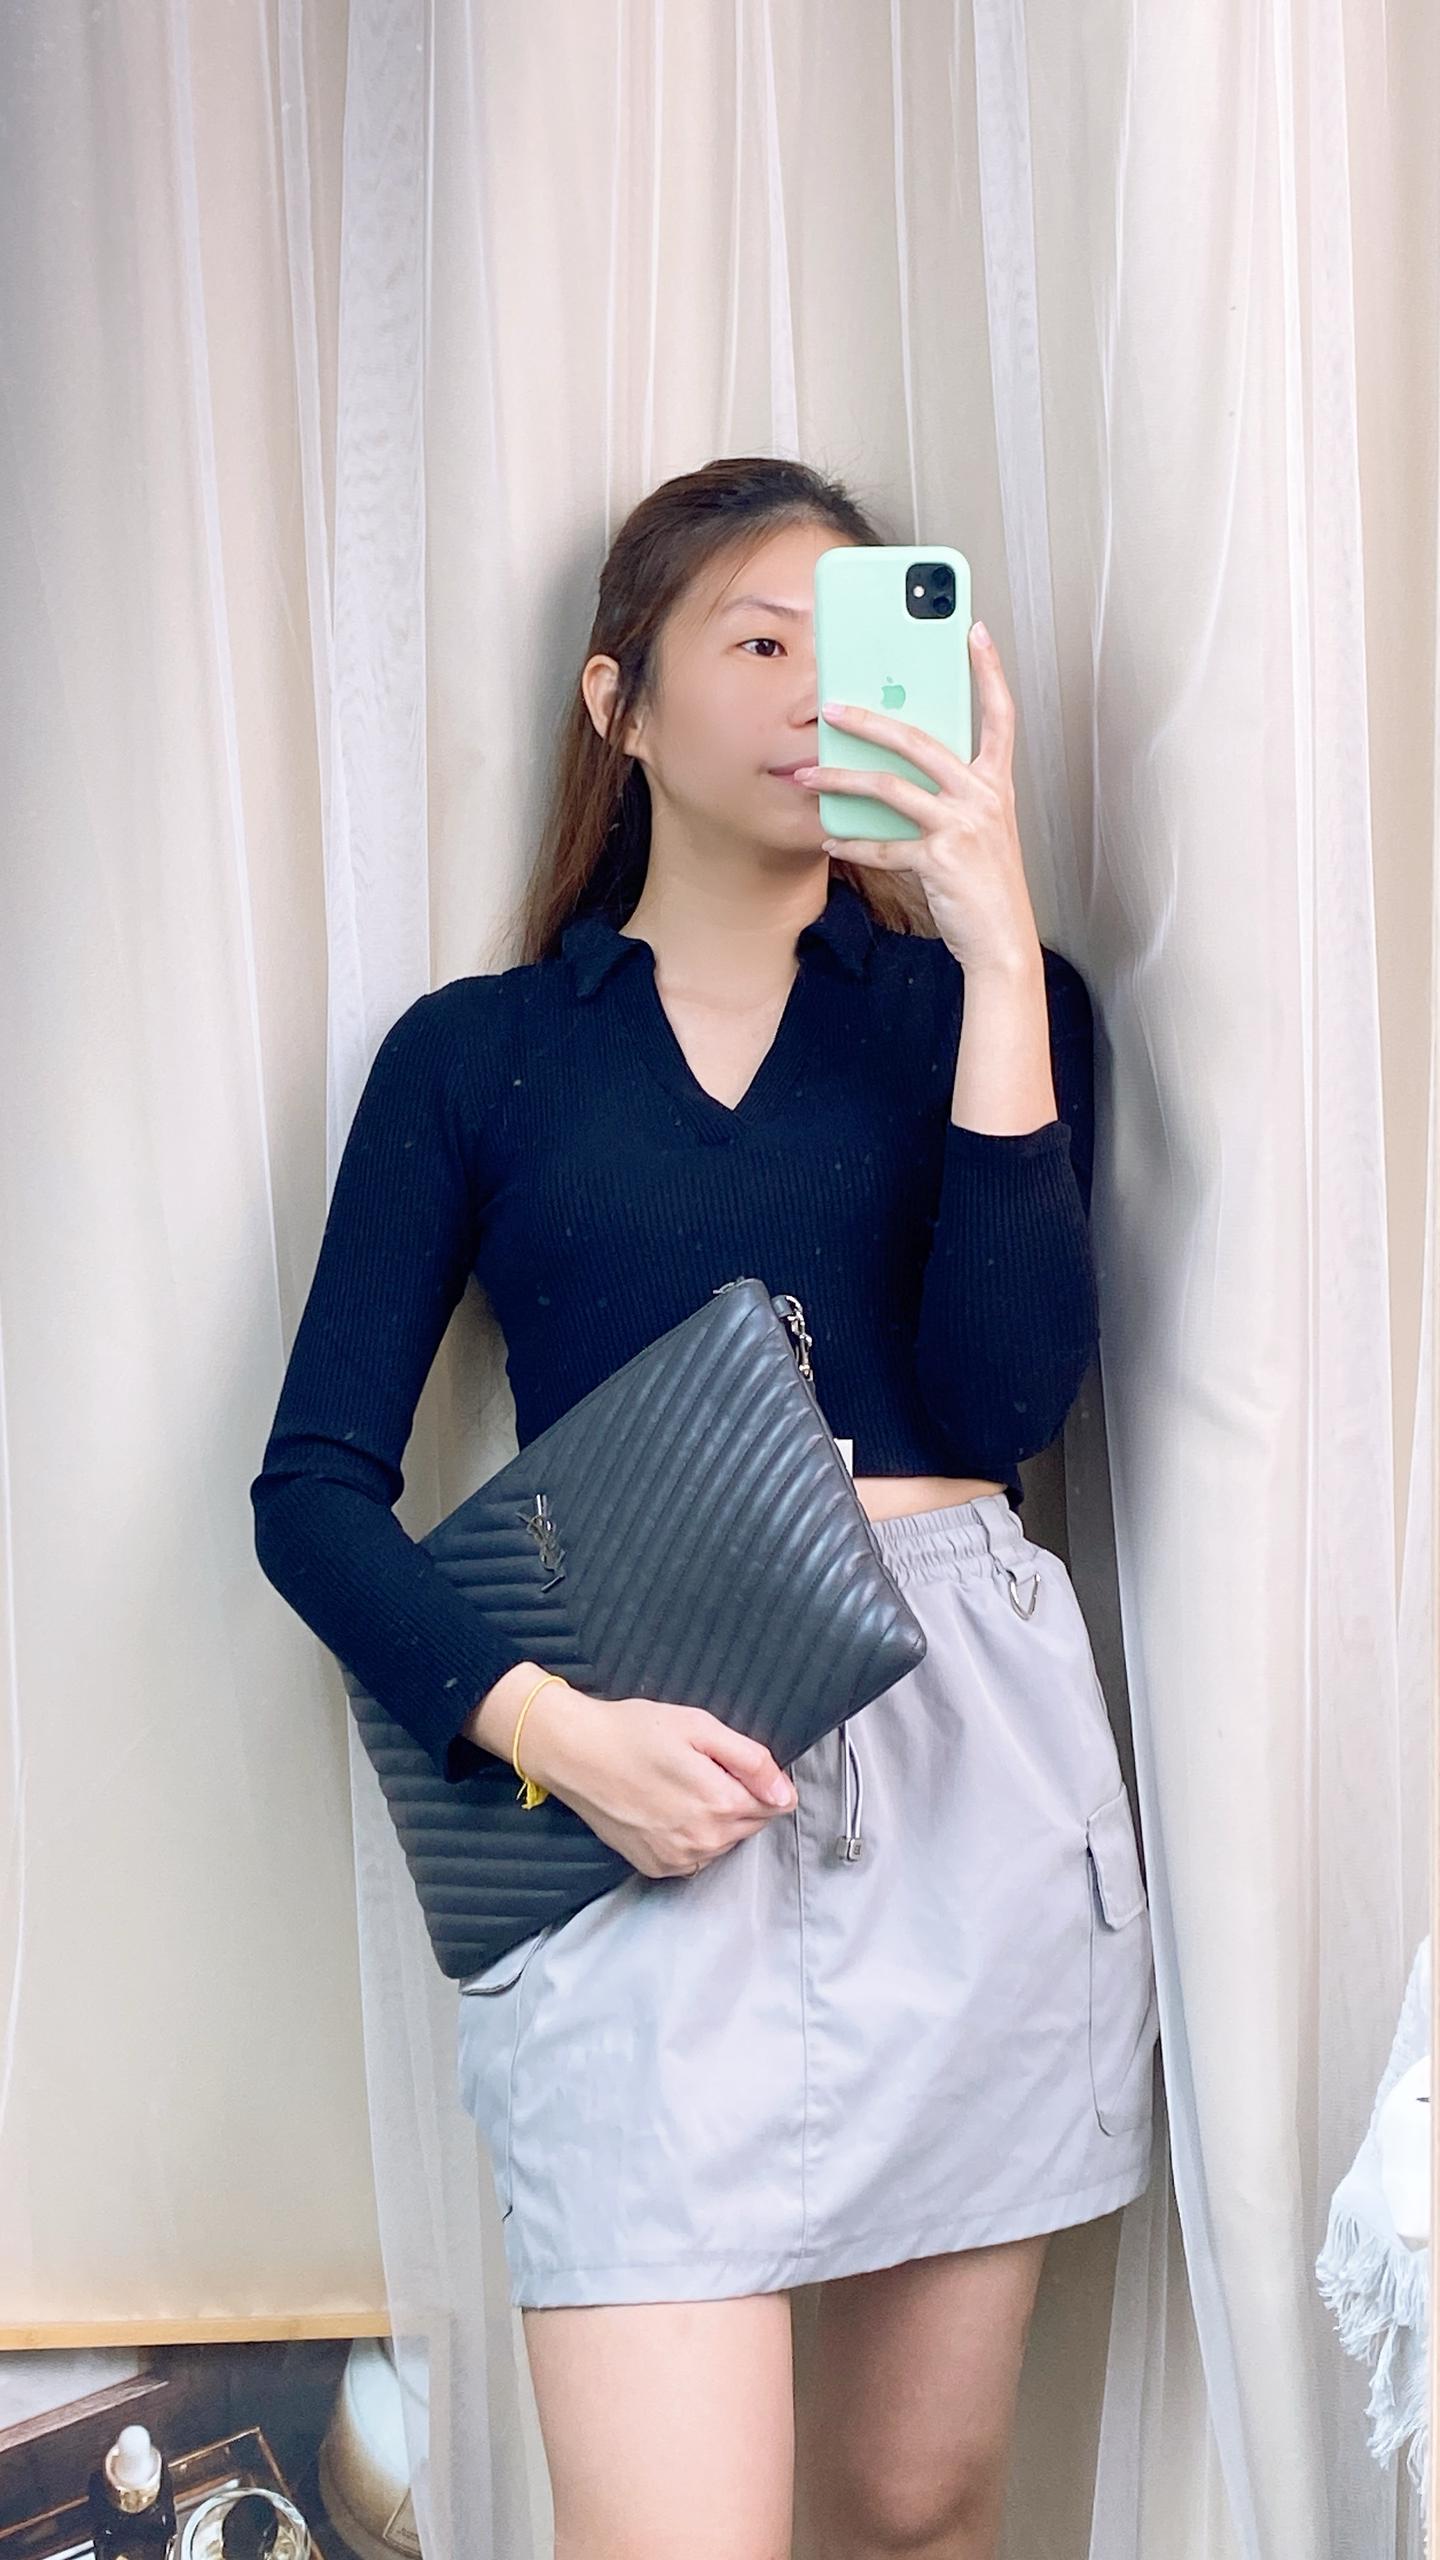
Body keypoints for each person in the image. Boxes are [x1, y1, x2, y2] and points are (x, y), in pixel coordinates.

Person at [251, 456, 1160, 2560]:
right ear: (620, 701)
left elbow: (1012, 1402)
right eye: (757, 639)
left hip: (965, 1765)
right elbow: (313, 1495)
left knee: (918, 2505)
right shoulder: (478, 1057)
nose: (811, 687)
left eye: (846, 643)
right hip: (629, 1780)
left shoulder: (996, 1007)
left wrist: (993, 950)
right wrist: (549, 1735)